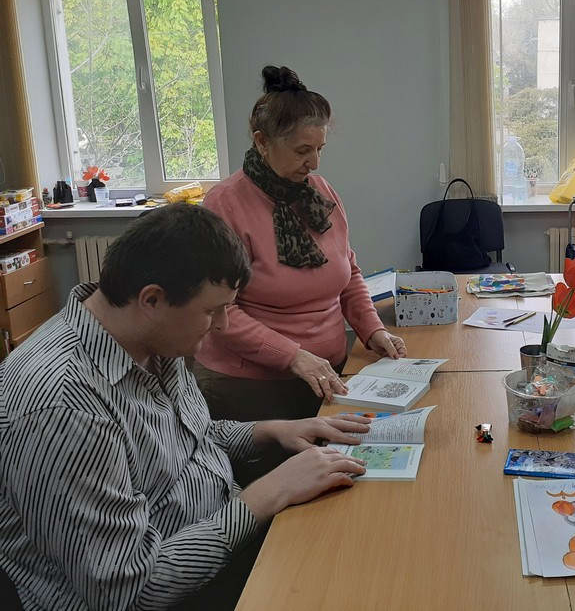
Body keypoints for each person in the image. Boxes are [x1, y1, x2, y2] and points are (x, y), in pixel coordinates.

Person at [0, 204, 370, 611]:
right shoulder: (65, 407)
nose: (223, 325)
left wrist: (274, 430)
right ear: (152, 299)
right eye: (212, 311)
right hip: (172, 593)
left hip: (220, 536)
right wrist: (269, 493)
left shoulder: (154, 338)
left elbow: (194, 437)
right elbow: (128, 591)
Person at [193, 65, 406, 422]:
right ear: (262, 142)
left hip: (326, 374)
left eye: (320, 149)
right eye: (302, 150)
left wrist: (373, 330)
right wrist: (293, 356)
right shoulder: (224, 205)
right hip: (249, 386)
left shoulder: (321, 192)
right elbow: (219, 311)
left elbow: (349, 274)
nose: (314, 163)